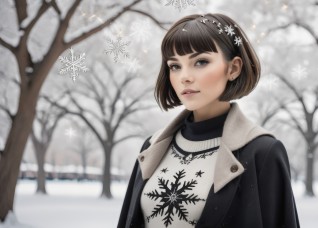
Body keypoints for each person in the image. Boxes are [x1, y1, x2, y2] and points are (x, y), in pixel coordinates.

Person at [118, 13, 300, 228]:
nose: (185, 76)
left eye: (200, 62)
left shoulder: (263, 152)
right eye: (175, 66)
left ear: (233, 68)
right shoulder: (152, 147)